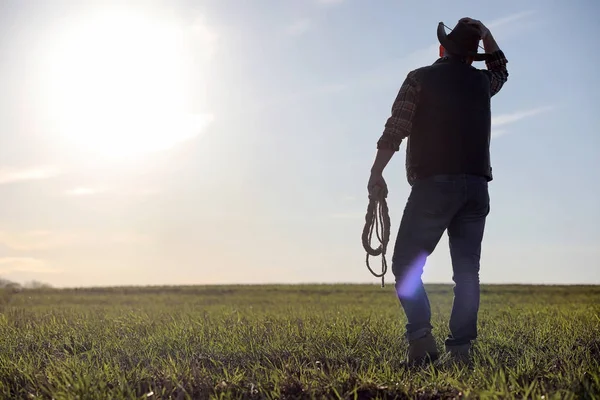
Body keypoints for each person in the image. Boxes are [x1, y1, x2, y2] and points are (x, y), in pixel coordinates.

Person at [367, 17, 509, 364]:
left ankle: (420, 340)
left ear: (442, 49)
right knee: (466, 273)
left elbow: (395, 129)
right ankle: (460, 350)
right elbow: (501, 69)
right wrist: (486, 36)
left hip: (434, 185)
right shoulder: (482, 82)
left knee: (404, 264)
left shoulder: (419, 78)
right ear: (471, 55)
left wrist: (376, 172)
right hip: (476, 187)